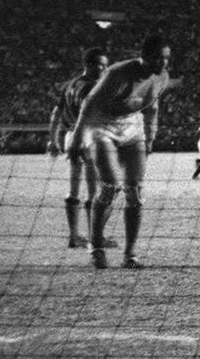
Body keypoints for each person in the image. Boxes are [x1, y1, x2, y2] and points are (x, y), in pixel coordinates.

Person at [68, 34, 172, 269]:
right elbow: (89, 103)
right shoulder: (118, 73)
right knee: (110, 186)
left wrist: (150, 138)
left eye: (166, 58)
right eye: (158, 58)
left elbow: (152, 108)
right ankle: (96, 246)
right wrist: (77, 137)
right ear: (143, 56)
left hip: (132, 128)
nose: (163, 63)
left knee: (135, 193)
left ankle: (130, 255)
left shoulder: (162, 77)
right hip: (102, 126)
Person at [47, 47, 116, 249]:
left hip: (70, 137)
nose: (103, 69)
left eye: (105, 65)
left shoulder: (70, 85)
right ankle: (95, 237)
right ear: (88, 64)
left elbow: (55, 114)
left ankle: (74, 236)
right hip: (87, 138)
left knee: (74, 189)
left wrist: (53, 139)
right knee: (95, 191)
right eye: (99, 65)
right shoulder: (93, 87)